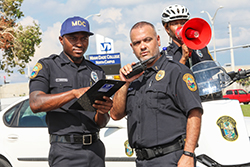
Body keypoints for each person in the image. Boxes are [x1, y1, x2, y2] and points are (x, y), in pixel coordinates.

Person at [110, 21, 203, 167]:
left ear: (158, 40)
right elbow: (115, 114)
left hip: (171, 159)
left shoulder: (177, 71)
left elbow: (194, 112)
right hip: (142, 160)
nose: (143, 46)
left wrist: (188, 154)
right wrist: (125, 83)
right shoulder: (134, 78)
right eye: (137, 43)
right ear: (132, 47)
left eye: (147, 40)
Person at [29, 16, 112, 167]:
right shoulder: (48, 66)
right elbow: (35, 103)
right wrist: (73, 93)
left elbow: (101, 122)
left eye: (84, 38)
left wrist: (103, 111)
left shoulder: (96, 72)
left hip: (95, 151)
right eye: (73, 38)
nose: (79, 43)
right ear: (61, 40)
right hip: (65, 152)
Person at [161, 4, 213, 68]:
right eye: (175, 24)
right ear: (167, 28)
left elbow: (211, 70)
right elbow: (171, 77)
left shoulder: (200, 47)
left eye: (183, 23)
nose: (180, 27)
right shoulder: (166, 55)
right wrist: (184, 58)